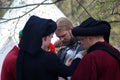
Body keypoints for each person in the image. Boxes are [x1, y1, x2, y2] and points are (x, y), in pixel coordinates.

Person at [16, 15, 81, 80]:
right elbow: (67, 71)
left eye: (63, 36)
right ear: (44, 38)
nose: (61, 39)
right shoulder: (48, 57)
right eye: (51, 37)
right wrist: (79, 55)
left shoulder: (22, 54)